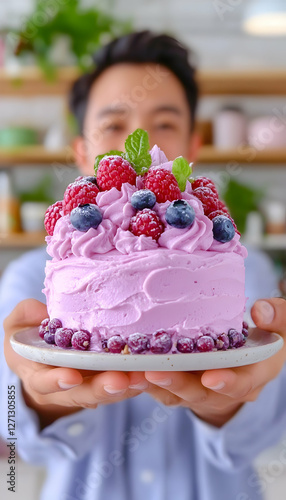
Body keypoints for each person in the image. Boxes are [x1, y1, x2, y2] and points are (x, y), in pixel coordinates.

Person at [1, 30, 286, 500]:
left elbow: (262, 433)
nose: (144, 141)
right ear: (79, 151)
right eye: (114, 125)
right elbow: (10, 427)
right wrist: (35, 398)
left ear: (192, 148)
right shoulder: (38, 277)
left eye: (165, 124)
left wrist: (228, 406)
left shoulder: (237, 264)